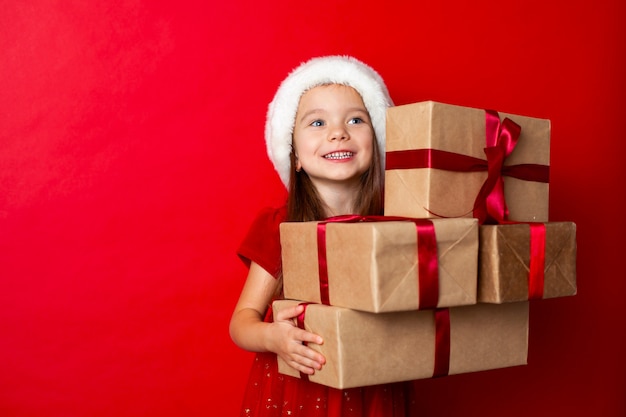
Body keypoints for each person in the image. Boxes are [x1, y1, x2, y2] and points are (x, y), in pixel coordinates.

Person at [230, 55, 419, 416]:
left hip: (374, 388)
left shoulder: (398, 225)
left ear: (377, 140)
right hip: (299, 392)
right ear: (295, 156)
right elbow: (241, 322)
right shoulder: (282, 226)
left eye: (355, 119)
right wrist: (272, 337)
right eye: (317, 122)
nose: (338, 132)